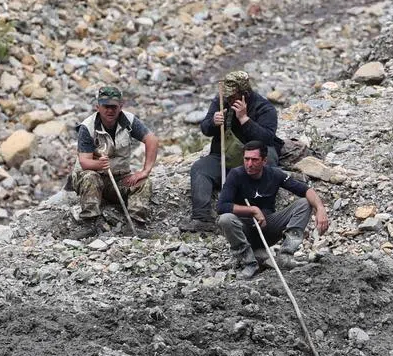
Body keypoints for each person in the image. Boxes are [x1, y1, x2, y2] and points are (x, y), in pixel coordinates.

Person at [180, 70, 282, 233]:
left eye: (233, 96)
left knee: (268, 162)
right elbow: (205, 128)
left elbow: (267, 138)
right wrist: (213, 122)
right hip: (224, 156)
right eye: (227, 96)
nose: (229, 100)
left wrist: (244, 119)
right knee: (200, 168)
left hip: (252, 160)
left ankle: (264, 214)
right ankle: (202, 218)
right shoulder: (220, 101)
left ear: (245, 94)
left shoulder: (264, 108)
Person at [217, 140, 329, 280]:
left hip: (268, 227)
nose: (249, 164)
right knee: (225, 219)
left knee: (304, 203)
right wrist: (252, 210)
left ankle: (285, 256)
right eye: (246, 159)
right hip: (244, 231)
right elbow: (221, 206)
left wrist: (320, 208)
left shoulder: (274, 174)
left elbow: (305, 190)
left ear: (264, 161)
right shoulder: (236, 175)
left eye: (254, 160)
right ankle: (249, 263)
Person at [67, 85, 158, 228]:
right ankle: (89, 223)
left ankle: (136, 224)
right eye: (106, 106)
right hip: (93, 177)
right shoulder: (87, 127)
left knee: (144, 182)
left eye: (114, 107)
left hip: (119, 178)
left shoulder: (129, 120)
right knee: (91, 177)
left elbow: (151, 140)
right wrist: (99, 165)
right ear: (98, 107)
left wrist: (145, 171)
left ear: (120, 106)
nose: (110, 110)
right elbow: (84, 162)